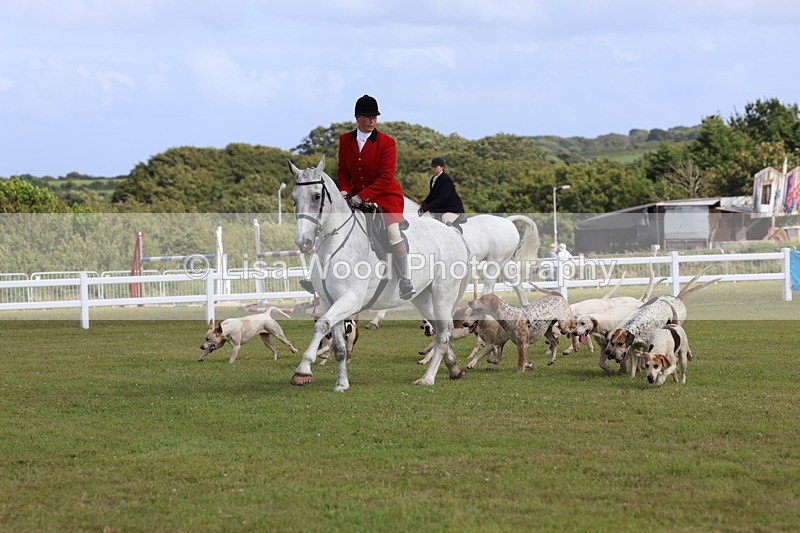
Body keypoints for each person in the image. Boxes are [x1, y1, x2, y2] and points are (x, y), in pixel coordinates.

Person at [336, 95, 415, 300]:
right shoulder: (345, 140)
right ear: (357, 118)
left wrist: (362, 196)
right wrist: (344, 190)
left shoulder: (387, 143)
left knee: (393, 233)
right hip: (354, 197)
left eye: (375, 117)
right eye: (368, 117)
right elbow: (343, 171)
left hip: (385, 196)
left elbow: (386, 177)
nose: (372, 120)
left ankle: (405, 280)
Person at [418, 156, 465, 228]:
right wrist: (424, 203)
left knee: (445, 220)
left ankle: (456, 232)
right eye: (432, 167)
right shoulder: (433, 179)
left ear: (442, 167)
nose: (433, 169)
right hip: (442, 208)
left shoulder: (446, 180)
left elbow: (442, 198)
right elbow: (431, 195)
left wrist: (428, 207)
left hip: (452, 208)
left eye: (435, 167)